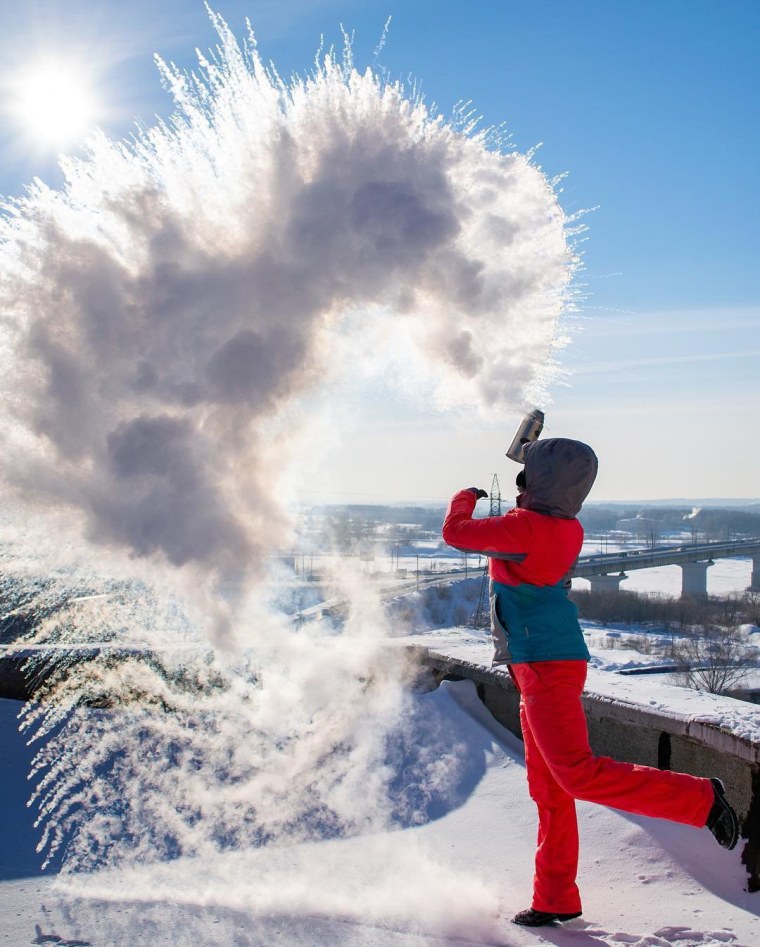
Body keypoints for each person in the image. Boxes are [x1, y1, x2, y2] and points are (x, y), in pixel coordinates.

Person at [442, 437, 739, 928]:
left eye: (527, 478)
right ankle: (555, 896)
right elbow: (525, 526)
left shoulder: (526, 528)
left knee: (575, 774)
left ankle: (701, 799)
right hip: (538, 664)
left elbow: (456, 532)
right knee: (550, 789)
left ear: (537, 483)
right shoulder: (563, 527)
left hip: (546, 664)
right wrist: (532, 481)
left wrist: (465, 495)